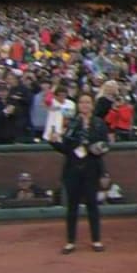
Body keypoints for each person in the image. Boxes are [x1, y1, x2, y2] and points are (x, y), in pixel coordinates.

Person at [48, 92, 109, 254]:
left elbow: (105, 146)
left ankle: (96, 240)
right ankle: (70, 242)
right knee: (72, 207)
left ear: (92, 105)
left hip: (92, 169)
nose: (85, 105)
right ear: (78, 105)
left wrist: (93, 148)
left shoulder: (99, 123)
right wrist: (53, 142)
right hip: (72, 169)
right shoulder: (72, 123)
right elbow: (66, 149)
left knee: (92, 206)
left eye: (88, 102)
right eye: (82, 102)